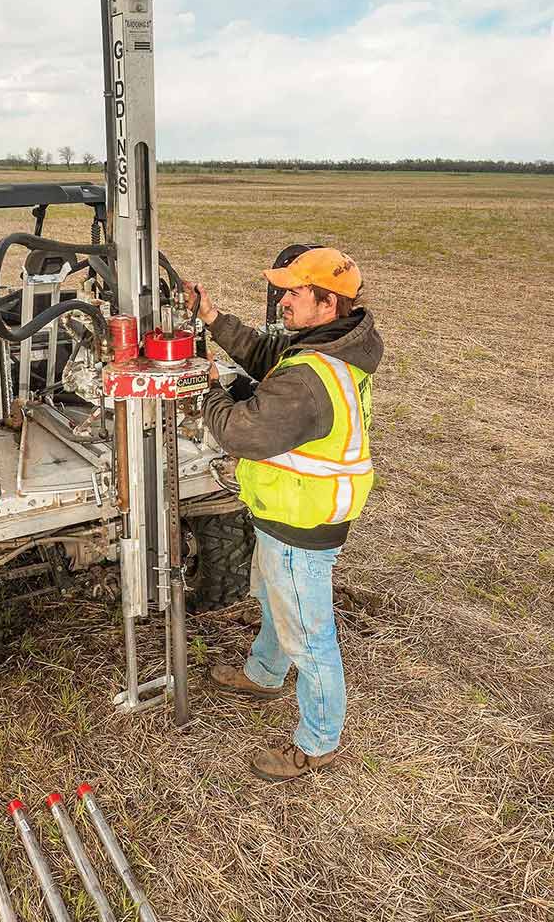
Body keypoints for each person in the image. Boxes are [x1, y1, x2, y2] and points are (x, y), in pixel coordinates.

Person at [186, 247, 383, 783]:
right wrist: (213, 319)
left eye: (295, 291)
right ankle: (266, 674)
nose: (283, 298)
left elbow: (239, 432)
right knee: (278, 598)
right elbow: (266, 351)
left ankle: (318, 743)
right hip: (294, 510)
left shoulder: (309, 379)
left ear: (327, 301)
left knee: (310, 637)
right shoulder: (332, 345)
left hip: (303, 520)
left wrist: (205, 390)